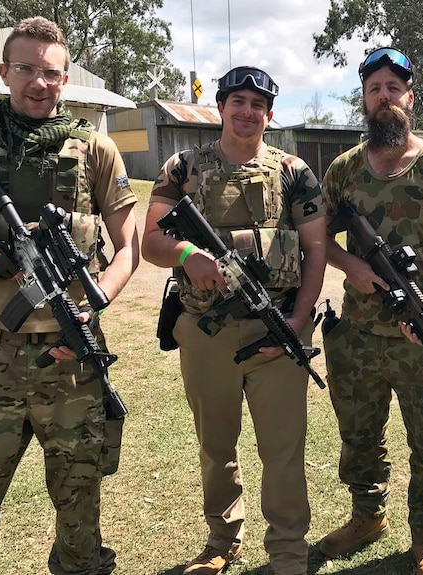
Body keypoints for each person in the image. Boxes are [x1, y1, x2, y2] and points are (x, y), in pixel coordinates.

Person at [0, 16, 139, 575]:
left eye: (52, 73)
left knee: (80, 507)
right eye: (27, 70)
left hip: (73, 360)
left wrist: (95, 304)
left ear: (66, 81)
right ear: (4, 72)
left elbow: (129, 246)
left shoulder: (96, 150)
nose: (39, 82)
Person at [141, 66, 327, 575]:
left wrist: (296, 319)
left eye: (258, 103)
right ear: (220, 107)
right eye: (237, 100)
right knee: (216, 443)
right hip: (206, 333)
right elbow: (151, 242)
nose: (247, 111)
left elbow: (315, 249)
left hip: (278, 330)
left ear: (270, 113)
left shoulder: (294, 172)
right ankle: (222, 539)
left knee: (283, 450)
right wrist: (186, 255)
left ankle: (288, 552)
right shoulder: (182, 166)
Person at [318, 47, 423, 575]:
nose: (384, 97)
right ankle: (368, 517)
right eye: (374, 89)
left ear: (410, 96)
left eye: (394, 88)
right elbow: (317, 240)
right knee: (359, 436)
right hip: (357, 336)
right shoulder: (342, 171)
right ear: (364, 99)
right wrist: (350, 267)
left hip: (420, 337)